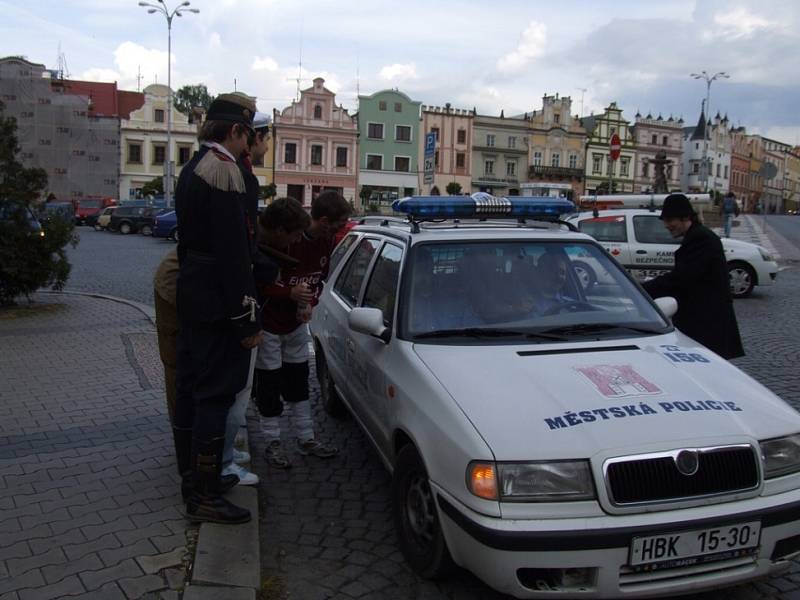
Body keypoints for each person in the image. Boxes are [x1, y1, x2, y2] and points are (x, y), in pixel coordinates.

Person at [173, 92, 262, 524]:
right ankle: (204, 494)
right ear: (236, 130)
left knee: (195, 389)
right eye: (248, 134)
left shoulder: (193, 166)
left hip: (195, 294)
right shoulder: (224, 171)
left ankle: (195, 479)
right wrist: (246, 319)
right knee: (215, 396)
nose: (250, 144)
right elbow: (234, 255)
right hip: (217, 303)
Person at [255, 190, 351, 469]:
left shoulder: (326, 241)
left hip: (297, 323)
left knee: (299, 381)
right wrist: (289, 293)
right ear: (322, 220)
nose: (338, 231)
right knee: (270, 385)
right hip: (271, 324)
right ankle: (272, 441)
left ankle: (306, 437)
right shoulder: (283, 240)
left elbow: (319, 280)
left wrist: (311, 302)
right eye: (337, 225)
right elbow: (261, 282)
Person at [219, 111, 274, 487]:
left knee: (234, 389)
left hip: (232, 288)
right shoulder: (239, 174)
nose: (268, 145)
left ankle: (225, 454)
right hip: (238, 294)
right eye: (266, 137)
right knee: (234, 390)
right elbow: (239, 243)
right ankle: (223, 462)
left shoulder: (234, 169)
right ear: (252, 137)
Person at [642, 193, 744, 359]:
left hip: (707, 323)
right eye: (665, 221)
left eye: (670, 220)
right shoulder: (697, 236)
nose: (667, 225)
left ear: (685, 218)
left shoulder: (700, 239)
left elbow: (680, 279)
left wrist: (641, 291)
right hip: (705, 321)